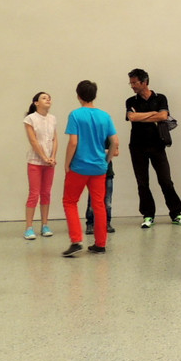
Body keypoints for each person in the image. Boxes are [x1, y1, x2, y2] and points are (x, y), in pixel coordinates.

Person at [61, 80, 119, 257]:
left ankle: (76, 241)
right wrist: (106, 160)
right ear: (94, 95)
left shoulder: (75, 115)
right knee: (99, 204)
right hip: (99, 168)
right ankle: (100, 244)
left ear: (78, 95)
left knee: (70, 202)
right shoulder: (105, 116)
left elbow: (73, 142)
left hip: (79, 167)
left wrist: (67, 163)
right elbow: (115, 142)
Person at [126, 68, 181, 228]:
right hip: (137, 147)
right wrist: (153, 114)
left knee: (165, 180)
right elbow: (132, 117)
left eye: (134, 82)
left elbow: (163, 116)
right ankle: (148, 215)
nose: (132, 86)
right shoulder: (131, 101)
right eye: (131, 83)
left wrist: (142, 116)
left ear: (144, 82)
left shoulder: (160, 98)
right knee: (142, 183)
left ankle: (176, 213)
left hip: (157, 145)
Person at [23, 91, 58, 240]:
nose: (48, 99)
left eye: (49, 98)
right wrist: (44, 157)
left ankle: (45, 225)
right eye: (44, 98)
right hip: (35, 162)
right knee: (34, 194)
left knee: (46, 193)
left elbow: (54, 139)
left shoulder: (52, 118)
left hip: (49, 163)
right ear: (36, 103)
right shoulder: (30, 119)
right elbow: (33, 141)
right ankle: (29, 227)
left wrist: (52, 157)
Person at [85, 153, 115, 234]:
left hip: (107, 172)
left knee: (108, 201)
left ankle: (107, 222)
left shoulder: (108, 142)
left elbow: (115, 152)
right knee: (92, 201)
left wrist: (100, 151)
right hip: (94, 172)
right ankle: (90, 223)